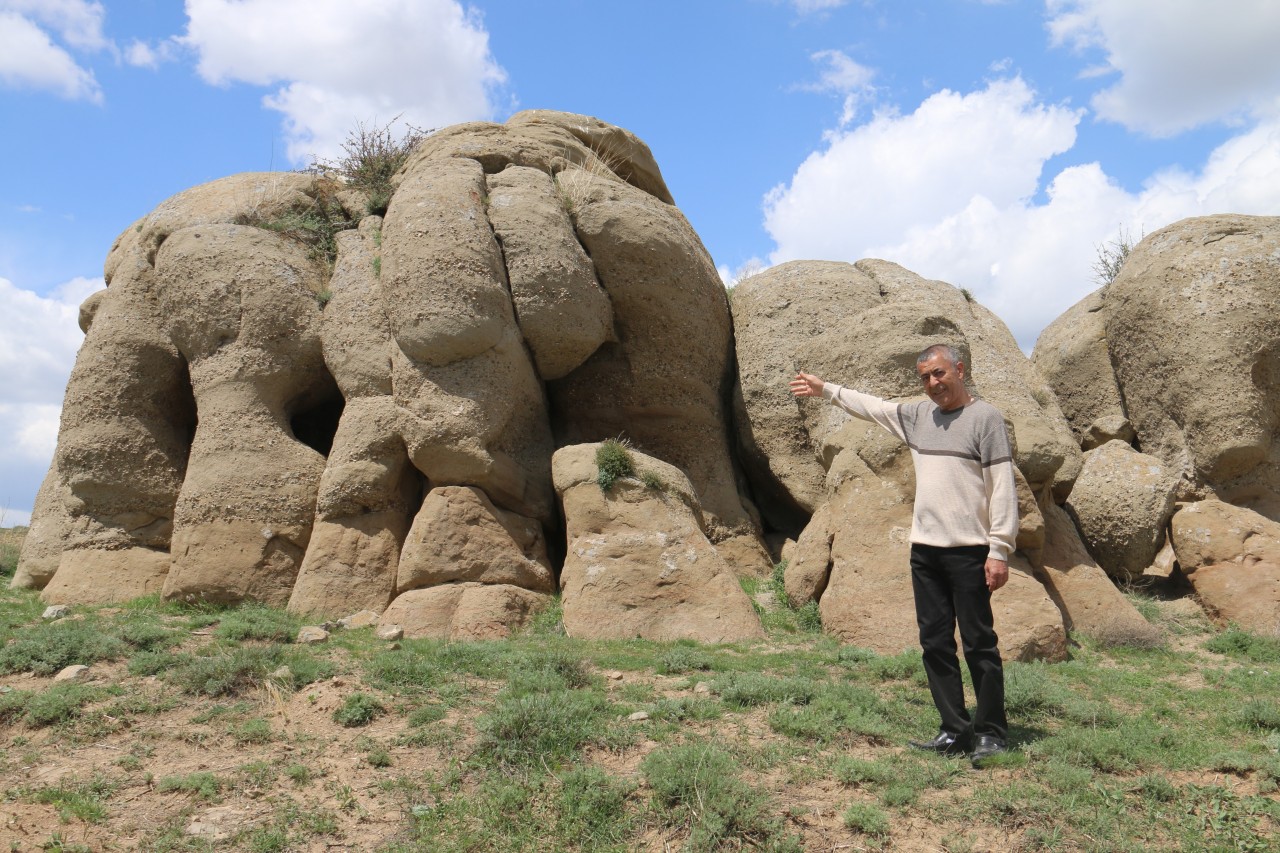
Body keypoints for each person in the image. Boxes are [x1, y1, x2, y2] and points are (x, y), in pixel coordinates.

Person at [789, 344, 1018, 768]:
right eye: (926, 377)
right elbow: (873, 407)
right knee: (934, 643)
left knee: (979, 644)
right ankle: (954, 730)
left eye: (939, 374)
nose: (933, 383)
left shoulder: (985, 418)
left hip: (970, 551)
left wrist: (999, 549)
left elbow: (1002, 486)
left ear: (959, 369)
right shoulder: (917, 417)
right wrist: (826, 390)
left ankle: (990, 734)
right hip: (925, 552)